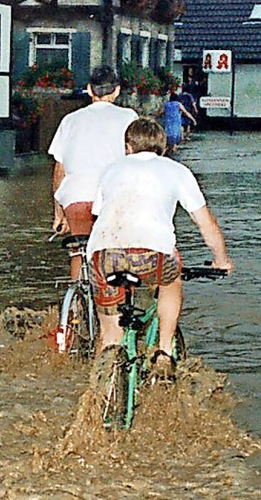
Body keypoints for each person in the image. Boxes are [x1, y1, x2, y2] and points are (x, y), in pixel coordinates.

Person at [87, 117, 234, 375]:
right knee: (171, 279)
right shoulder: (177, 171)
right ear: (163, 149)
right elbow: (206, 223)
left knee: (110, 333)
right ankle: (164, 351)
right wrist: (221, 259)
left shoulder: (111, 169)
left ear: (128, 148)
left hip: (103, 253)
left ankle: (102, 391)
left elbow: (97, 213)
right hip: (153, 253)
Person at [48, 65, 138, 279]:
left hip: (75, 197)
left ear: (89, 90)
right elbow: (137, 163)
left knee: (78, 253)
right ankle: (112, 308)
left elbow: (59, 170)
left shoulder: (69, 120)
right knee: (116, 254)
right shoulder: (129, 117)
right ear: (116, 91)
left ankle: (77, 306)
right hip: (111, 198)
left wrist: (58, 212)